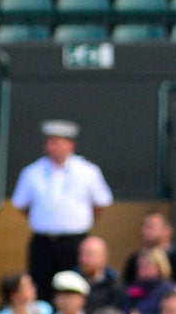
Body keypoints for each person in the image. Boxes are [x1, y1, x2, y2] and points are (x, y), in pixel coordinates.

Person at [11, 120, 113, 293]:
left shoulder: (88, 171)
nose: (53, 146)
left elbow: (101, 204)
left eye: (58, 142)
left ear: (70, 144)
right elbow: (22, 205)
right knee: (41, 287)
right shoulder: (32, 172)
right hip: (43, 241)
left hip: (74, 242)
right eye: (49, 142)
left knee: (73, 287)